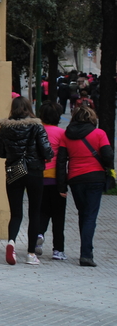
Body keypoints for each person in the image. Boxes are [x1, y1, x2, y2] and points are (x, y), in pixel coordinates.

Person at [0, 96, 54, 265]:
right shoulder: (37, 126)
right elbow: (46, 150)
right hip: (34, 171)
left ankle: (11, 242)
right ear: (28, 108)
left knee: (15, 213)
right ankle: (30, 254)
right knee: (34, 212)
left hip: (14, 171)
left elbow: (1, 153)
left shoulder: (4, 128)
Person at [56, 105, 114, 267]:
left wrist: (62, 186)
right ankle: (86, 254)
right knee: (90, 216)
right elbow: (108, 156)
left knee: (83, 213)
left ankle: (85, 250)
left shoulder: (66, 136)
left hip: (75, 179)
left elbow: (61, 162)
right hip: (95, 178)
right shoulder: (99, 134)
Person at [37, 101, 67, 260]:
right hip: (56, 180)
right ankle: (58, 250)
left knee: (41, 212)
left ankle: (38, 235)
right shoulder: (62, 134)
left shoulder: (37, 130)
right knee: (58, 216)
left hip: (39, 178)